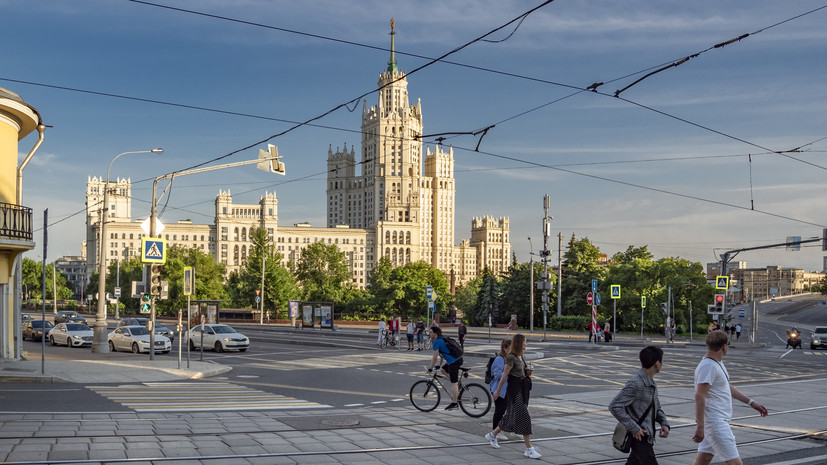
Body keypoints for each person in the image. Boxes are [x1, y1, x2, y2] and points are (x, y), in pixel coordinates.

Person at [691, 331, 768, 465]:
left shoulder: (716, 363)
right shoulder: (708, 366)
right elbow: (699, 396)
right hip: (716, 423)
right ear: (724, 346)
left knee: (703, 460)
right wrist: (700, 426)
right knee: (735, 464)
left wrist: (751, 403)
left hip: (715, 422)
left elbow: (726, 387)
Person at [609, 346, 671, 465]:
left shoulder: (651, 382)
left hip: (646, 436)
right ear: (657, 363)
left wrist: (664, 423)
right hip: (639, 436)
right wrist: (634, 428)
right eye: (662, 361)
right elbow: (614, 406)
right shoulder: (636, 383)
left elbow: (656, 408)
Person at [484, 334, 541, 459]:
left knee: (509, 416)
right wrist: (497, 392)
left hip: (521, 389)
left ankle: (493, 435)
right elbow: (504, 376)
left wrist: (528, 372)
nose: (526, 344)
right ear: (519, 343)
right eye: (524, 342)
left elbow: (521, 373)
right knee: (525, 418)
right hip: (514, 391)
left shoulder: (521, 357)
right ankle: (529, 449)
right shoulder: (511, 358)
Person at [427, 326, 463, 410]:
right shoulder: (442, 339)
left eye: (431, 332)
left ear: (435, 333)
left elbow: (434, 357)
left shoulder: (436, 342)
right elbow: (442, 355)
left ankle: (455, 403)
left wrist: (430, 368)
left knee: (453, 383)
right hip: (458, 359)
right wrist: (439, 366)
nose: (430, 333)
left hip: (454, 362)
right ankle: (458, 385)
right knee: (443, 370)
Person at [489, 338, 512, 440]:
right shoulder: (500, 359)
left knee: (505, 410)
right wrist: (508, 374)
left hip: (506, 389)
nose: (512, 350)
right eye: (510, 348)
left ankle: (498, 431)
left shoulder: (509, 358)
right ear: (505, 348)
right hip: (498, 389)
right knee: (500, 410)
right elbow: (497, 374)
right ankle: (495, 432)